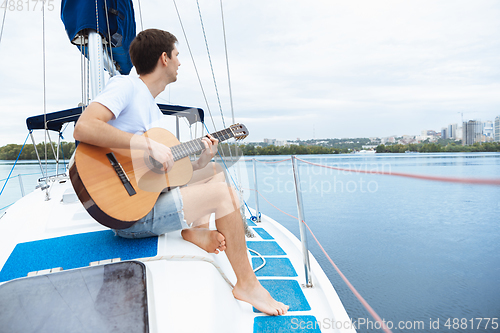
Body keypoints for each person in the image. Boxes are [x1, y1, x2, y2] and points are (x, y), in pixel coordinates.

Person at [73, 28, 289, 316]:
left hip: (146, 195)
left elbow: (165, 176)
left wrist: (199, 161)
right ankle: (247, 284)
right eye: (177, 55)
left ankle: (196, 231)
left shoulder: (154, 111)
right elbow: (84, 127)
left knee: (213, 171)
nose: (180, 62)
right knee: (223, 195)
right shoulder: (125, 86)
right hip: (128, 214)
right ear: (164, 58)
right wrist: (143, 143)